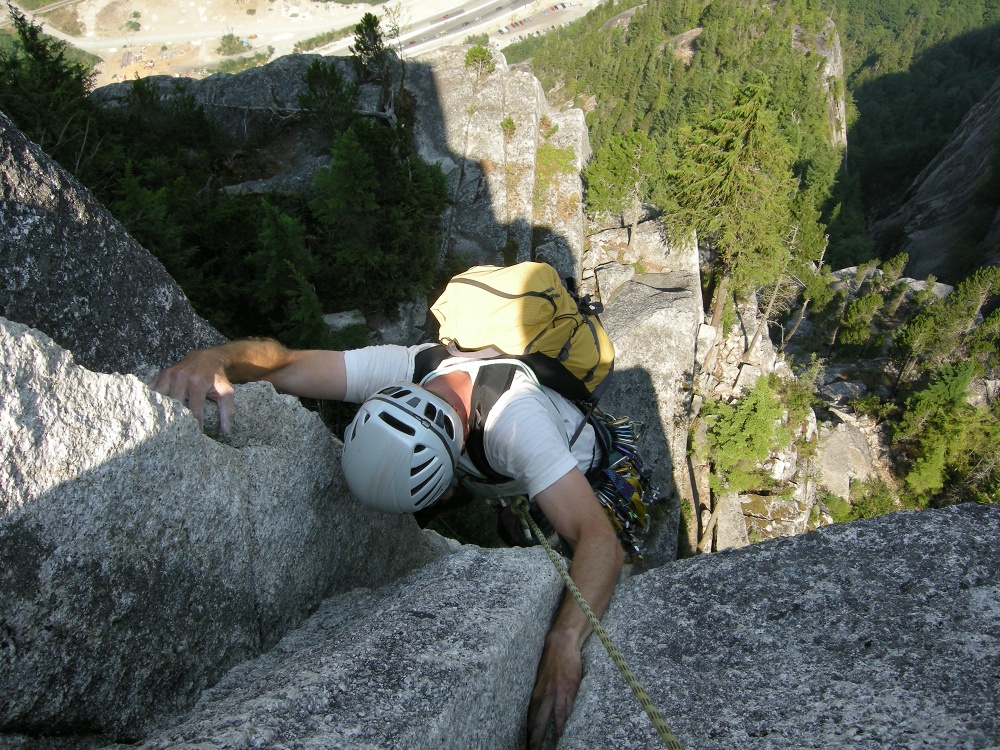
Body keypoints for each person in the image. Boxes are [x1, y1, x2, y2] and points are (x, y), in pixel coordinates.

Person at [150, 337, 625, 748]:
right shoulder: (406, 368)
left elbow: (598, 540)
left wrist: (564, 642)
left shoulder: (518, 427)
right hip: (494, 471)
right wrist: (215, 358)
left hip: (580, 468)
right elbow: (286, 362)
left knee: (549, 541)